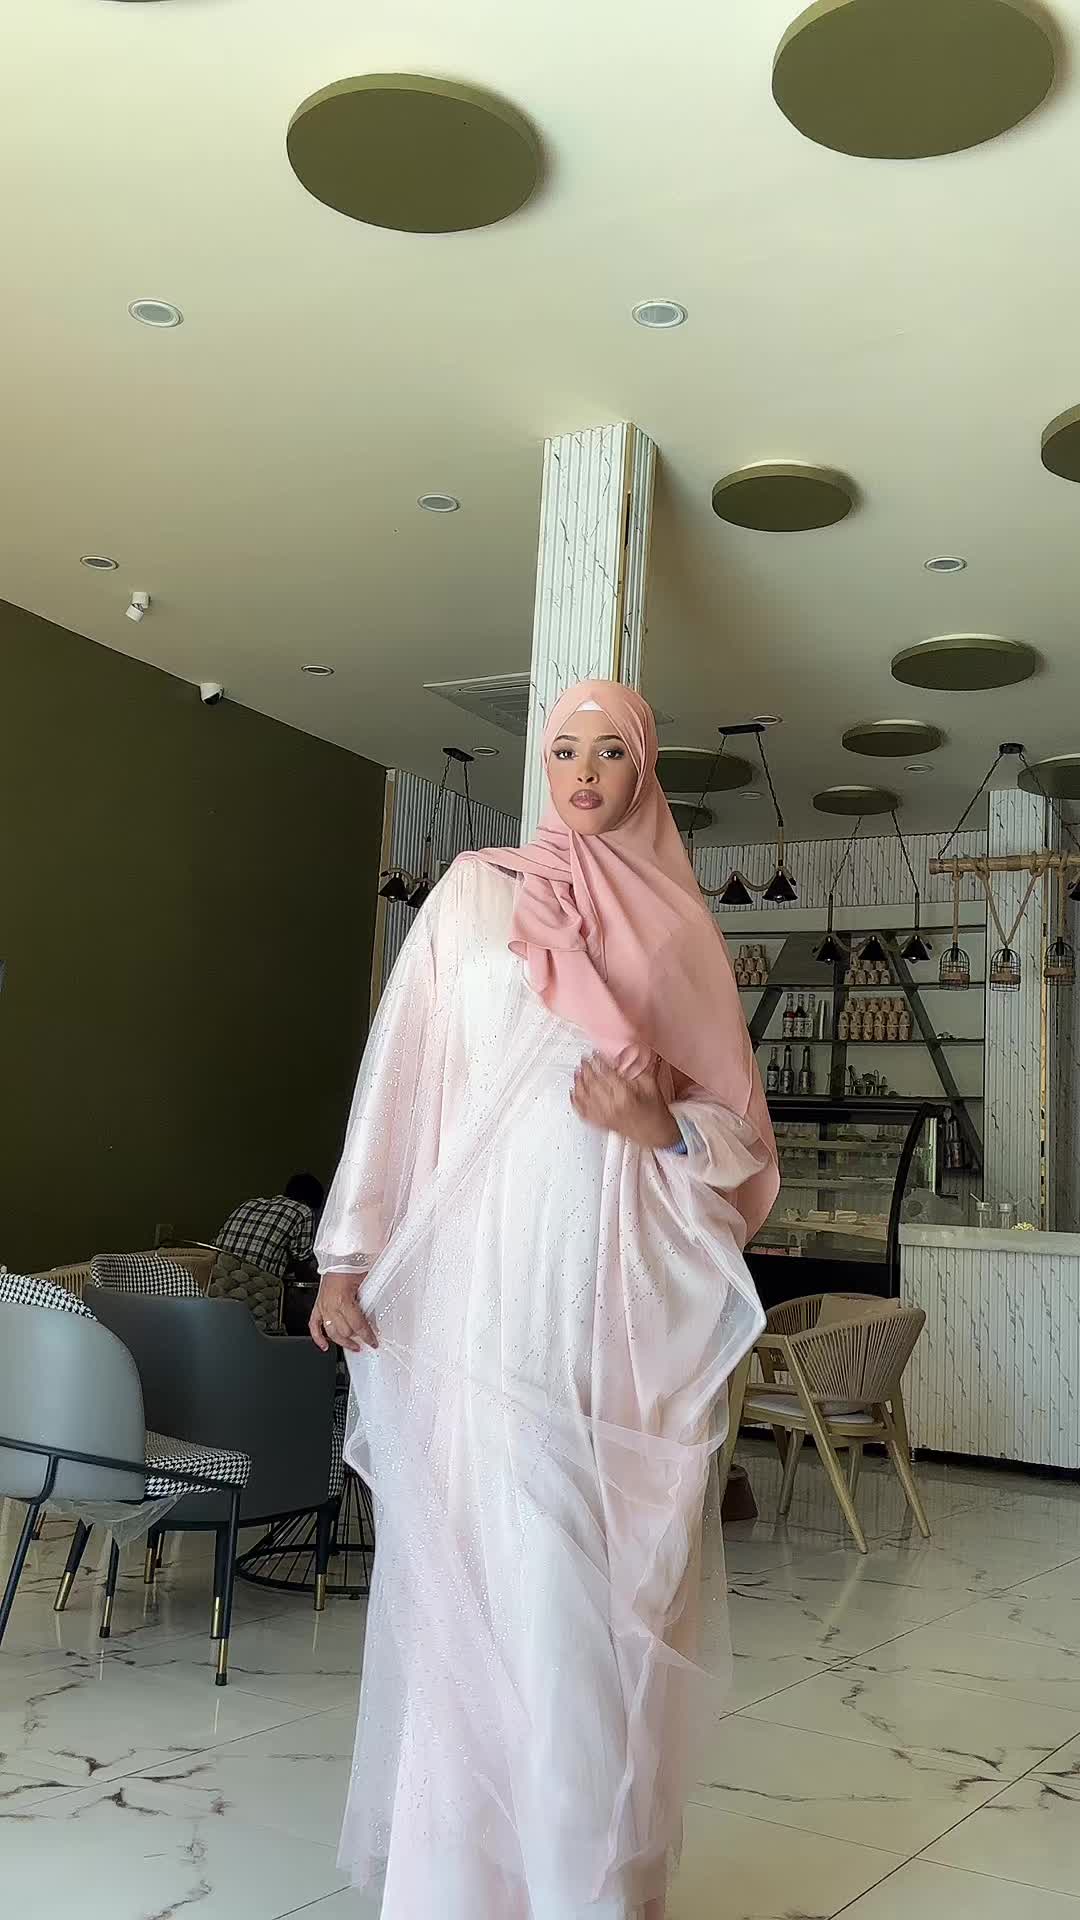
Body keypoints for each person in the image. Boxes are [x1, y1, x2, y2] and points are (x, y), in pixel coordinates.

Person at [311, 681, 778, 1920]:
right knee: (481, 1575)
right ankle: (465, 1888)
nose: (584, 771)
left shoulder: (678, 928)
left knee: (577, 1594)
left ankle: (588, 1888)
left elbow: (739, 1137)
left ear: (645, 771)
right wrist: (347, 1255)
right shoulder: (473, 894)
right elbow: (401, 1077)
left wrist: (660, 1126)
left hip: (603, 1303)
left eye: (611, 751)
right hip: (475, 1298)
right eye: (565, 749)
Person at [216, 1172, 324, 1280]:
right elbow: (302, 1264)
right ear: (311, 1202)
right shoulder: (303, 1211)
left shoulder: (249, 1203)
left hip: (217, 1280)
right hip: (255, 1285)